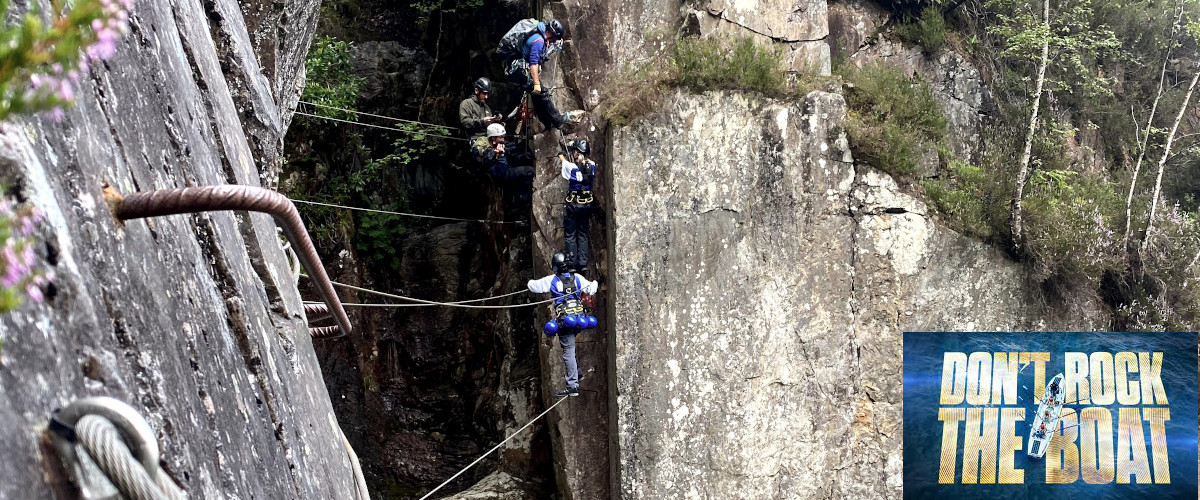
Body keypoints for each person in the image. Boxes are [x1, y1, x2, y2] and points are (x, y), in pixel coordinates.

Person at [527, 252, 599, 397]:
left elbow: (534, 286)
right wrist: (597, 282)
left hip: (565, 321)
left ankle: (572, 385)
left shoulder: (551, 280)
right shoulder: (577, 278)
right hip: (580, 319)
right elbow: (591, 289)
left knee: (568, 351)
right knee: (570, 348)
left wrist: (528, 283)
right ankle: (577, 375)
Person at [500, 19, 582, 130]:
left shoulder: (540, 34)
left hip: (513, 68)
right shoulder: (538, 41)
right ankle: (557, 120)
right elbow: (533, 63)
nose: (553, 42)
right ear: (549, 33)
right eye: (553, 39)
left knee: (536, 95)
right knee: (542, 93)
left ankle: (547, 123)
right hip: (517, 71)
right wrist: (536, 82)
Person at [558, 139, 596, 272]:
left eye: (575, 152)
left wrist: (561, 154)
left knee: (570, 235)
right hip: (586, 206)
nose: (573, 154)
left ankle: (572, 263)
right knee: (583, 234)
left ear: (579, 153)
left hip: (573, 206)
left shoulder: (572, 167)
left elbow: (564, 163)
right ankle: (583, 263)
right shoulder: (592, 166)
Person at [472, 123, 534, 189]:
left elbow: (511, 147)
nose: (503, 139)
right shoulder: (488, 154)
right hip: (502, 174)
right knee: (529, 171)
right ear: (493, 137)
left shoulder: (497, 142)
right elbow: (502, 172)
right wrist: (501, 155)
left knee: (528, 156)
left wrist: (522, 141)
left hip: (508, 164)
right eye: (501, 137)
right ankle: (521, 194)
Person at [459, 77, 503, 142]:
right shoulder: (467, 103)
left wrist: (495, 120)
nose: (486, 97)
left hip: (488, 139)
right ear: (476, 91)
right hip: (473, 138)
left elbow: (490, 127)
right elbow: (465, 122)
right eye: (484, 93)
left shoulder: (486, 107)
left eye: (487, 94)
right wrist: (482, 121)